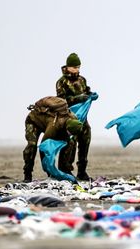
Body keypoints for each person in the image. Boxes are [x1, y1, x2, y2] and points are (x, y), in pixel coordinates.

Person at [22, 96, 83, 182]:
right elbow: (44, 147)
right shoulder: (54, 126)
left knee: (71, 142)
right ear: (66, 128)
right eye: (69, 133)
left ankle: (65, 170)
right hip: (34, 121)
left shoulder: (74, 119)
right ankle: (27, 174)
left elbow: (71, 136)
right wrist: (49, 169)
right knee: (32, 145)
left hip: (47, 123)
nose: (69, 135)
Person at [55, 52, 95, 181]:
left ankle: (82, 171)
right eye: (74, 67)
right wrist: (78, 98)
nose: (77, 70)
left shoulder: (82, 80)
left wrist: (90, 94)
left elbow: (86, 91)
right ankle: (65, 170)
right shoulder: (61, 82)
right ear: (68, 67)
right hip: (69, 118)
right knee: (70, 143)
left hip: (82, 118)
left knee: (85, 140)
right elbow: (61, 101)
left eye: (78, 67)